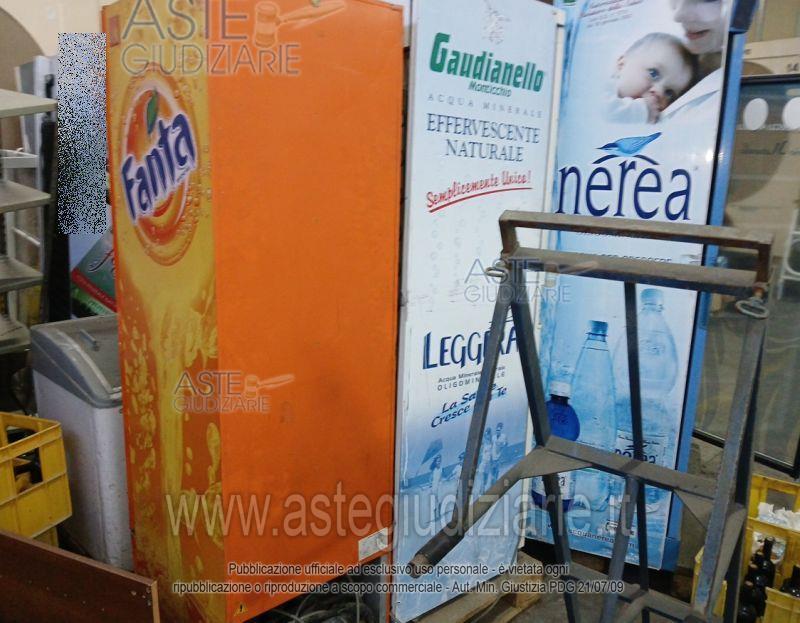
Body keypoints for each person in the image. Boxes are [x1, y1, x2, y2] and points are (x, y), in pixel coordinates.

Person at [605, 33, 697, 124]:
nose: (659, 92)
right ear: (621, 65)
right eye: (653, 73)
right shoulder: (603, 88)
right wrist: (640, 112)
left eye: (669, 93)